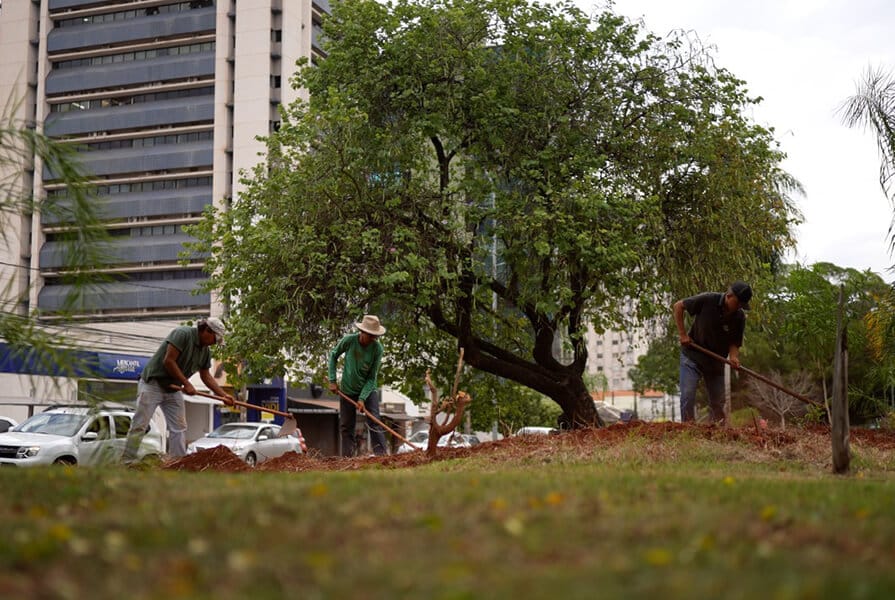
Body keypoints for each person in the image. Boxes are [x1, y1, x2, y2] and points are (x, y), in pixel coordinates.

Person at [122, 317, 234, 463]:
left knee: (179, 427)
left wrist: (223, 395)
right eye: (215, 338)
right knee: (140, 425)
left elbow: (206, 377)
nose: (214, 343)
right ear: (207, 330)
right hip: (153, 384)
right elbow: (168, 361)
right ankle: (126, 461)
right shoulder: (182, 334)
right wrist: (186, 383)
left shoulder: (205, 352)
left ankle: (177, 463)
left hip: (173, 389)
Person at [673, 281, 752, 423]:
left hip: (716, 361)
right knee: (688, 394)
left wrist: (734, 357)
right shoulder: (708, 299)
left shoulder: (739, 317)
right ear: (729, 296)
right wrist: (683, 334)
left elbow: (735, 341)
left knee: (718, 402)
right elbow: (678, 306)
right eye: (738, 302)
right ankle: (688, 429)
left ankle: (717, 432)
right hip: (693, 355)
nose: (740, 307)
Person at [328, 314, 388, 456]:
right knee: (346, 426)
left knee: (374, 421)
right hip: (347, 390)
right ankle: (348, 458)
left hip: (368, 390)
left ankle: (382, 456)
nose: (374, 338)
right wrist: (332, 380)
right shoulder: (349, 341)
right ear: (363, 332)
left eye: (375, 336)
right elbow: (333, 355)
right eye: (371, 335)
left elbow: (371, 378)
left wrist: (362, 398)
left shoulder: (377, 349)